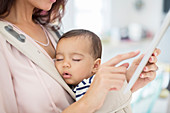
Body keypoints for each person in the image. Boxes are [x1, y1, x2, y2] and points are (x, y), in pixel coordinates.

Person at [0, 0, 161, 113]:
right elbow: (86, 103)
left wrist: (127, 82)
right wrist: (88, 103)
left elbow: (79, 95)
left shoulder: (53, 33)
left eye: (76, 59)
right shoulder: (3, 41)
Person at [55, 29, 103, 101]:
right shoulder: (77, 86)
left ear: (95, 66)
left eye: (75, 59)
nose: (65, 64)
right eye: (59, 59)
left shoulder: (92, 86)